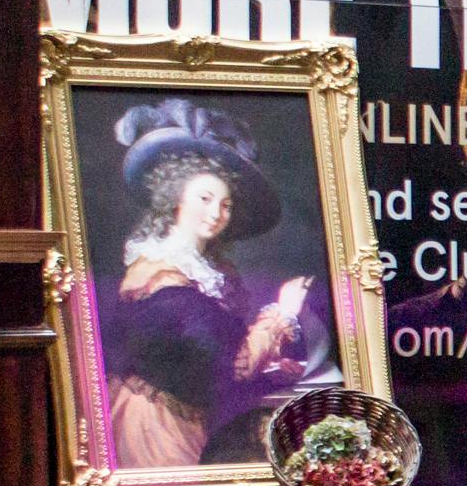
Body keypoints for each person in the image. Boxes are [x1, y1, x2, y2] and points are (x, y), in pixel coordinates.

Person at [103, 99, 317, 467]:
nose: (216, 213)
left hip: (188, 417)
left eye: (226, 204)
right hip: (155, 426)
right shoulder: (165, 276)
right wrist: (284, 310)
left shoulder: (207, 270)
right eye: (204, 198)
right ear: (175, 199)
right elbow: (233, 366)